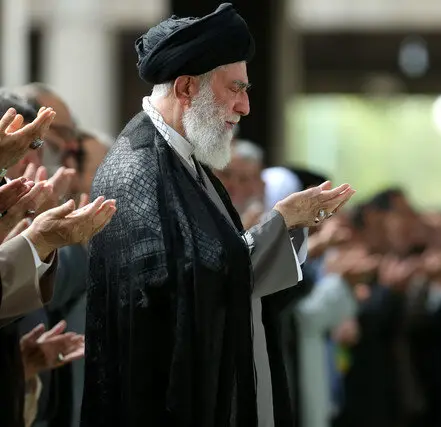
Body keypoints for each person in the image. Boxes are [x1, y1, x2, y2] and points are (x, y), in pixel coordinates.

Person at [81, 4, 355, 427]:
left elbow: (209, 267)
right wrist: (277, 225)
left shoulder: (185, 162)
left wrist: (284, 224)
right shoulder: (137, 167)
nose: (245, 107)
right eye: (235, 89)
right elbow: (171, 292)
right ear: (187, 88)